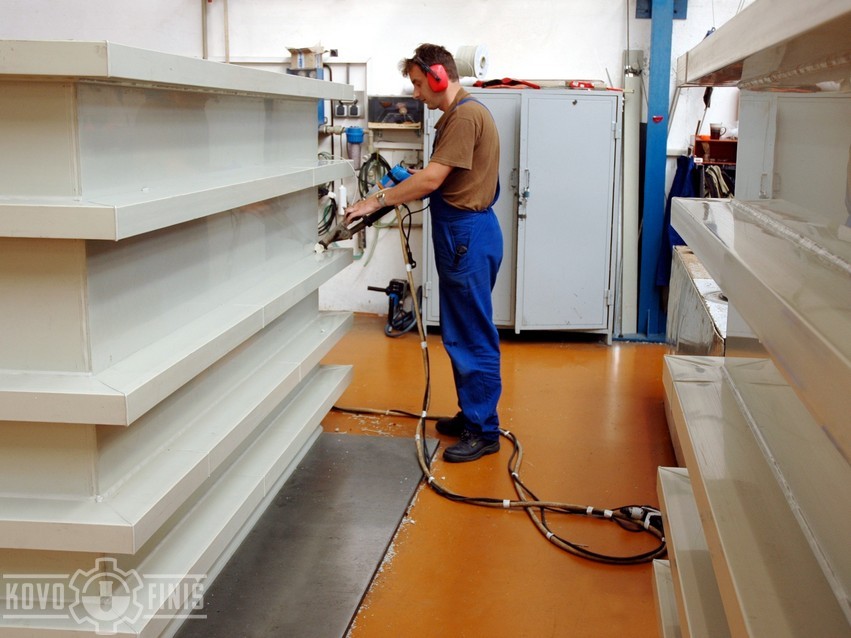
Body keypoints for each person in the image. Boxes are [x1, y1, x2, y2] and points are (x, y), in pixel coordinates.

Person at [345, 43, 503, 463]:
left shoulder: (464, 115)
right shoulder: (460, 115)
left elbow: (432, 181)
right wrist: (410, 179)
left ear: (438, 76)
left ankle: (484, 430)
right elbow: (442, 176)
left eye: (418, 83)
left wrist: (378, 200)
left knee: (472, 334)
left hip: (466, 234)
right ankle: (473, 414)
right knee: (460, 331)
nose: (415, 93)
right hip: (465, 232)